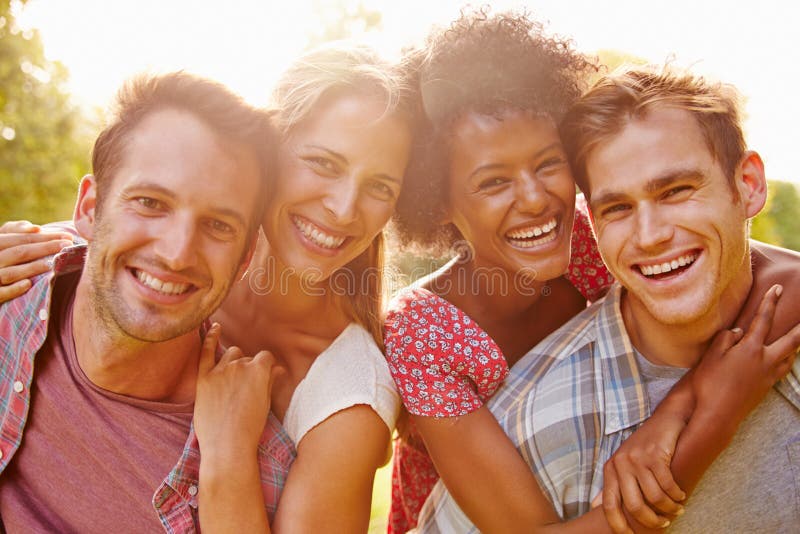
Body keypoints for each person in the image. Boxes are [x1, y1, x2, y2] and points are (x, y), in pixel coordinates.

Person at [0, 42, 417, 532]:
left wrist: (228, 452)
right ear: (269, 155)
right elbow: (112, 223)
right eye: (324, 163)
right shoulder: (93, 272)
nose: (345, 209)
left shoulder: (346, 396)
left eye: (380, 187)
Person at [416, 65, 800, 533]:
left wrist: (683, 402)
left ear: (749, 185)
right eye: (617, 208)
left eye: (676, 190)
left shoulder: (569, 240)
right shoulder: (428, 340)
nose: (651, 235)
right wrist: (706, 426)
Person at [0, 71, 295, 531]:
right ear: (89, 208)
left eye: (218, 225)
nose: (176, 254)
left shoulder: (262, 469)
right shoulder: (12, 300)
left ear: (245, 258)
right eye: (151, 202)